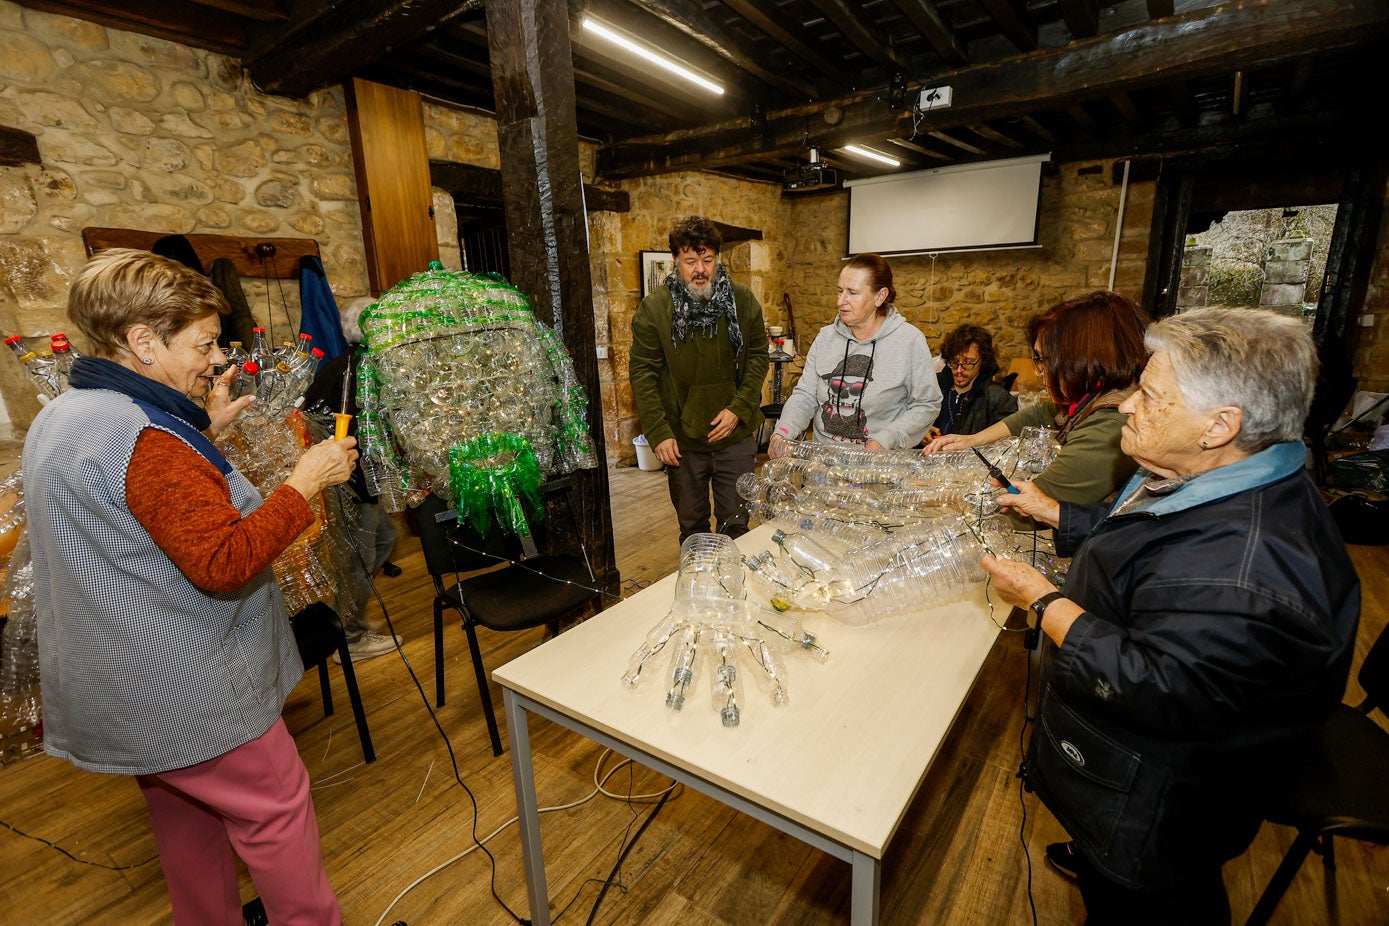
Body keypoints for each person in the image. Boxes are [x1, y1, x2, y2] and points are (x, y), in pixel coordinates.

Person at [981, 307, 1360, 925]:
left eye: (1151, 397)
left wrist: (1042, 601)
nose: (1128, 406)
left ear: (1219, 425)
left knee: (1153, 906)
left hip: (1160, 805)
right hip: (1155, 789)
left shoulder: (1243, 568)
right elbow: (1151, 543)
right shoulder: (1220, 477)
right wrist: (1061, 516)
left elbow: (1156, 684)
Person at [24, 249, 358, 925]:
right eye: (202, 344)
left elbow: (128, 496)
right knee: (275, 810)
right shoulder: (150, 441)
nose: (213, 358)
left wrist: (204, 428)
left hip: (122, 690)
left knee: (187, 821)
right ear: (142, 342)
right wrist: (305, 482)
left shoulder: (66, 414)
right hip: (190, 692)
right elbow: (223, 559)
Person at [924, 290, 1149, 508]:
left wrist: (933, 496)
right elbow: (1041, 412)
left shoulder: (1108, 425)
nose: (1039, 371)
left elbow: (1032, 506)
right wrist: (971, 440)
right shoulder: (1093, 398)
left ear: (1080, 358)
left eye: (1043, 359)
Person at [630, 215, 769, 542]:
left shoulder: (742, 299)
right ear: (676, 261)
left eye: (707, 260)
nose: (700, 269)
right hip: (681, 440)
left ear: (717, 259)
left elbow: (759, 356)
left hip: (734, 435)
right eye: (690, 261)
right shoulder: (655, 309)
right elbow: (642, 372)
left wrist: (739, 407)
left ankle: (735, 590)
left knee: (736, 526)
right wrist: (658, 432)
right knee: (692, 529)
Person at [301, 295, 403, 662]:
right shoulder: (358, 371)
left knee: (384, 539)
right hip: (351, 484)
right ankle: (351, 637)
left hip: (354, 481)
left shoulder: (340, 366)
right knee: (357, 559)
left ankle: (346, 608)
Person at [768, 253, 941, 455]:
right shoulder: (825, 338)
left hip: (878, 466)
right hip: (823, 465)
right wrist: (783, 432)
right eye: (840, 291)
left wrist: (885, 440)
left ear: (880, 296)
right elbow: (806, 395)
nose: (841, 301)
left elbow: (926, 404)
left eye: (852, 293)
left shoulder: (909, 341)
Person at [928, 323, 1017, 438]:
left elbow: (1006, 445)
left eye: (968, 363)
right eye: (954, 362)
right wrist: (920, 433)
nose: (959, 370)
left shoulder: (1000, 400)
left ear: (983, 361)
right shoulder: (935, 385)